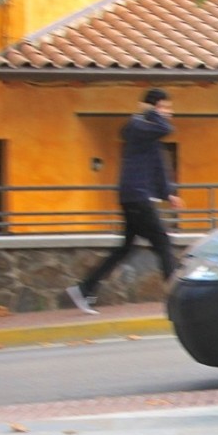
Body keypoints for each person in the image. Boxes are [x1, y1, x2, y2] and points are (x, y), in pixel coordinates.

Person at [66, 88, 182, 313]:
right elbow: (166, 128)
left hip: (134, 195)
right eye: (165, 107)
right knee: (162, 242)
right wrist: (151, 112)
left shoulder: (147, 132)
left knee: (125, 248)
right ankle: (176, 298)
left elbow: (157, 166)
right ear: (154, 107)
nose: (170, 112)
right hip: (136, 196)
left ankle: (85, 288)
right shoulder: (139, 126)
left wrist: (168, 193)